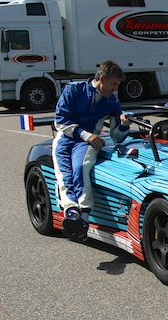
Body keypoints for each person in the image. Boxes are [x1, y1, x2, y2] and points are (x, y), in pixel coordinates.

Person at [52, 60, 130, 240]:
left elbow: (117, 136)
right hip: (66, 138)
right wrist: (87, 135)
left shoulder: (112, 102)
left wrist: (124, 125)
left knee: (81, 167)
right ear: (102, 79)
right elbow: (60, 121)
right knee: (64, 172)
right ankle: (71, 212)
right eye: (114, 84)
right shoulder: (73, 90)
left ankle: (84, 218)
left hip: (85, 145)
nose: (115, 89)